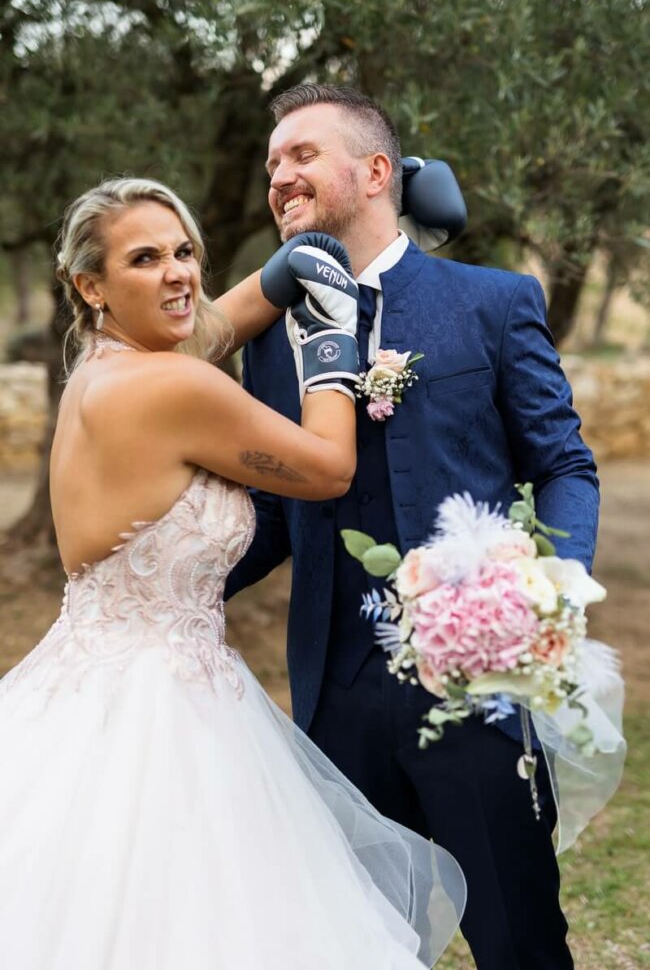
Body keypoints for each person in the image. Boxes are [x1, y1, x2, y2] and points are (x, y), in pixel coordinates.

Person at [0, 178, 466, 968]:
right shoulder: (173, 385)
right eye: (145, 258)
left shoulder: (101, 369)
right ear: (91, 284)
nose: (179, 272)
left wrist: (287, 267)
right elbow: (325, 468)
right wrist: (329, 345)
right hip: (167, 716)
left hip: (82, 689)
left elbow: (210, 324)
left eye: (186, 251)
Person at [226, 83, 602, 969]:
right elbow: (278, 514)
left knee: (519, 936)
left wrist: (549, 592)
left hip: (475, 686)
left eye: (301, 155)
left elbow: (563, 466)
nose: (279, 177)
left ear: (376, 171)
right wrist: (175, 585)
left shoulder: (494, 302)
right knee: (355, 941)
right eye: (272, 162)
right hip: (334, 697)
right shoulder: (268, 339)